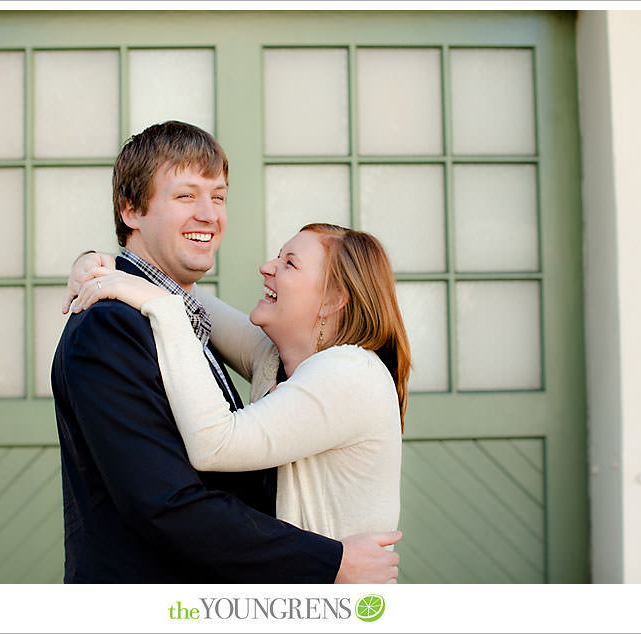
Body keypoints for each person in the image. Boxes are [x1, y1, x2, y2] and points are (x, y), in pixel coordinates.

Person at [51, 120, 400, 583]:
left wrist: (120, 271)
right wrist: (102, 264)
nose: (209, 213)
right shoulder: (112, 328)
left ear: (334, 299)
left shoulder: (180, 318)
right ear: (131, 209)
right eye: (186, 196)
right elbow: (166, 505)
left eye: (218, 196)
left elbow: (178, 304)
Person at [66, 221, 411, 545]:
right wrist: (98, 265)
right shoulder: (275, 358)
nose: (267, 266)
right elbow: (186, 298)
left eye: (289, 263)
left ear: (333, 299)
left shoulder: (350, 374)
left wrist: (164, 309)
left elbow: (214, 444)